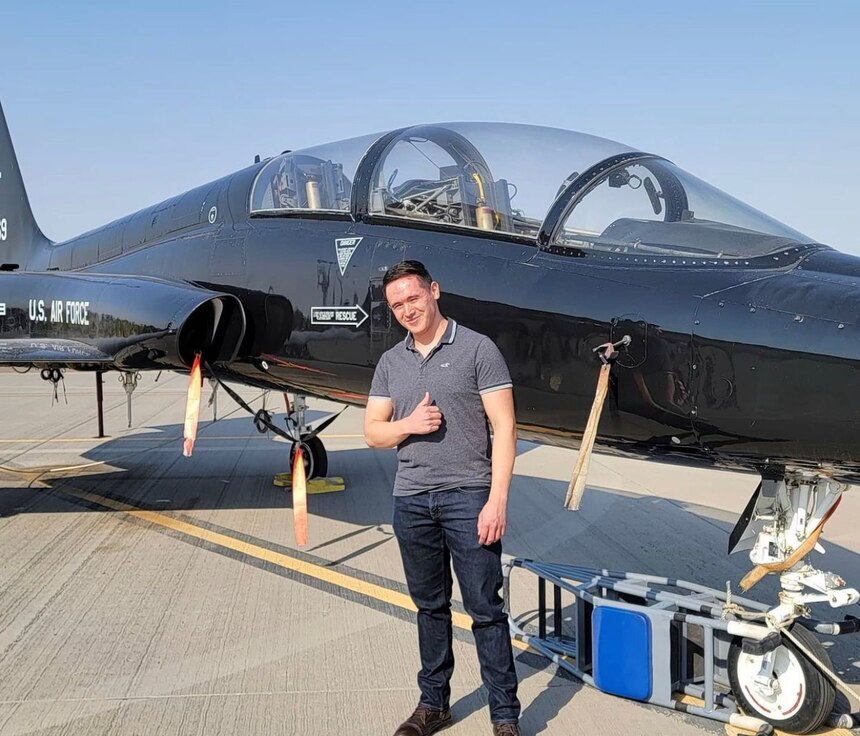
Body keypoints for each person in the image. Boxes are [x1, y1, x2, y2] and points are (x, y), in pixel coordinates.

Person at [364, 260, 520, 736]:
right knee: (430, 608)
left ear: (434, 290)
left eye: (413, 298)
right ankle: (434, 704)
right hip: (411, 500)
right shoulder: (392, 361)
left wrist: (497, 501)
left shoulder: (478, 348)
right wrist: (408, 425)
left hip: (468, 496)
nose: (408, 310)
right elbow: (372, 431)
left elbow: (506, 427)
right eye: (397, 305)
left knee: (485, 610)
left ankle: (504, 717)